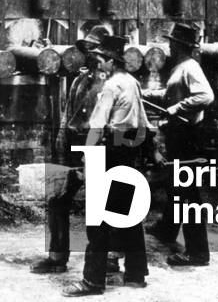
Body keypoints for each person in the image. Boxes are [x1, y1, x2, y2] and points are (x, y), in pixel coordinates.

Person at [63, 35, 151, 297]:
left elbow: (97, 125)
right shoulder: (132, 82)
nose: (99, 63)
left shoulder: (111, 86)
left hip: (109, 151)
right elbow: (143, 121)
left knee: (97, 220)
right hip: (128, 151)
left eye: (102, 59)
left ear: (112, 61)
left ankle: (92, 282)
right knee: (128, 215)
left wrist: (87, 157)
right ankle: (136, 274)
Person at [31, 28, 111, 275]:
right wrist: (61, 137)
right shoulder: (79, 79)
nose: (89, 55)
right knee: (57, 199)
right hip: (74, 145)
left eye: (94, 50)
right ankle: (57, 257)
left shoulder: (111, 83)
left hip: (97, 147)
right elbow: (68, 112)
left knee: (102, 207)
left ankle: (110, 260)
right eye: (87, 50)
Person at [144, 22, 214, 266]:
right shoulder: (181, 67)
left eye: (172, 42)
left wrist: (176, 108)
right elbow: (174, 96)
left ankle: (198, 253)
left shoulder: (190, 67)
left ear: (180, 45)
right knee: (176, 186)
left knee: (188, 193)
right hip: (178, 134)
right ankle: (167, 230)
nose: (169, 46)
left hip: (188, 136)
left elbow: (206, 95)